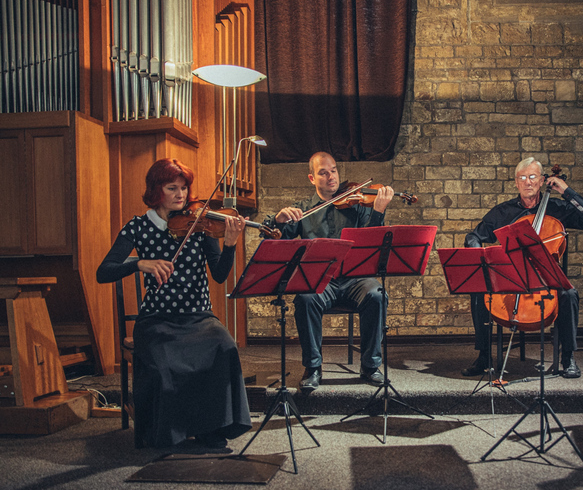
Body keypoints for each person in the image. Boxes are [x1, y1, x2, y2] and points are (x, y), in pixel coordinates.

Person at [96, 158, 252, 450]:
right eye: (172, 188)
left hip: (199, 317)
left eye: (184, 188)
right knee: (166, 361)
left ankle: (211, 429)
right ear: (157, 190)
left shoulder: (200, 224)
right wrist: (139, 263)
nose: (181, 194)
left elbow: (219, 275)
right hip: (157, 319)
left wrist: (230, 245)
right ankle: (173, 433)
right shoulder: (139, 227)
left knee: (225, 347)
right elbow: (103, 271)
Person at [264, 151, 394, 393]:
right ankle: (313, 368)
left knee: (377, 294)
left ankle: (370, 366)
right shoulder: (303, 210)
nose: (331, 176)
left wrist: (378, 211)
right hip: (320, 281)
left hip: (356, 279)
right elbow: (279, 241)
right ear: (312, 178)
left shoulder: (358, 205)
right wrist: (279, 221)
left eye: (333, 170)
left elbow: (372, 242)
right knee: (305, 298)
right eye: (323, 172)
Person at [463, 157, 583, 379]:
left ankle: (568, 357)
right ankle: (484, 356)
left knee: (570, 295)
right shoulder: (503, 212)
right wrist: (479, 253)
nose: (528, 182)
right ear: (516, 183)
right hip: (511, 276)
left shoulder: (558, 209)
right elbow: (474, 236)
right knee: (479, 290)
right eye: (523, 178)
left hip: (547, 279)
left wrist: (566, 191)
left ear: (542, 181)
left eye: (533, 177)